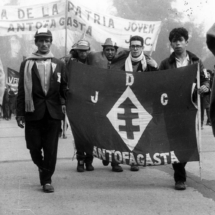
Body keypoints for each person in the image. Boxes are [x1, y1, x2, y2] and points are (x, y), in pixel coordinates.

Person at [16, 28, 67, 193]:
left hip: (53, 113)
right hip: (33, 111)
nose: (44, 44)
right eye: (41, 41)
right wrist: (20, 113)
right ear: (36, 43)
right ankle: (42, 166)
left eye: (47, 40)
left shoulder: (59, 64)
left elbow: (64, 89)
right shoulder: (27, 63)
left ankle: (47, 180)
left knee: (51, 148)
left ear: (51, 42)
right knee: (33, 146)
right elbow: (22, 90)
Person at [159, 27, 209, 190]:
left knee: (188, 142)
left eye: (181, 40)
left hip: (191, 106)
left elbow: (205, 80)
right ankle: (179, 177)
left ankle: (181, 165)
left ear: (186, 42)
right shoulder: (166, 63)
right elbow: (159, 84)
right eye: (174, 41)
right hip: (172, 107)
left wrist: (204, 87)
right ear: (171, 44)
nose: (178, 44)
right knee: (174, 142)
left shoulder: (196, 61)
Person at [120, 35, 158, 171]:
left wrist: (155, 68)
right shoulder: (123, 62)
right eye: (133, 46)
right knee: (130, 130)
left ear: (142, 47)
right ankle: (133, 160)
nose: (135, 48)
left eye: (138, 46)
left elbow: (156, 82)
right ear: (129, 47)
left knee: (144, 130)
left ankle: (141, 156)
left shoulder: (150, 62)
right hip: (128, 100)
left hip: (144, 101)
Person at [87, 38, 124, 172]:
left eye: (112, 50)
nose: (109, 52)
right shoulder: (94, 57)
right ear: (103, 50)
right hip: (97, 100)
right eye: (107, 49)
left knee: (114, 133)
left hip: (114, 101)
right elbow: (79, 54)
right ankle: (88, 160)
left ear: (116, 51)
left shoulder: (122, 61)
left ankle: (115, 162)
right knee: (94, 131)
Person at [67, 39, 94, 173]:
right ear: (76, 51)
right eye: (80, 51)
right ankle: (80, 160)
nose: (83, 53)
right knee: (79, 133)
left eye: (85, 50)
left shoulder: (93, 62)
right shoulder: (71, 63)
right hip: (76, 102)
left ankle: (89, 159)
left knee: (90, 133)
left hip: (91, 102)